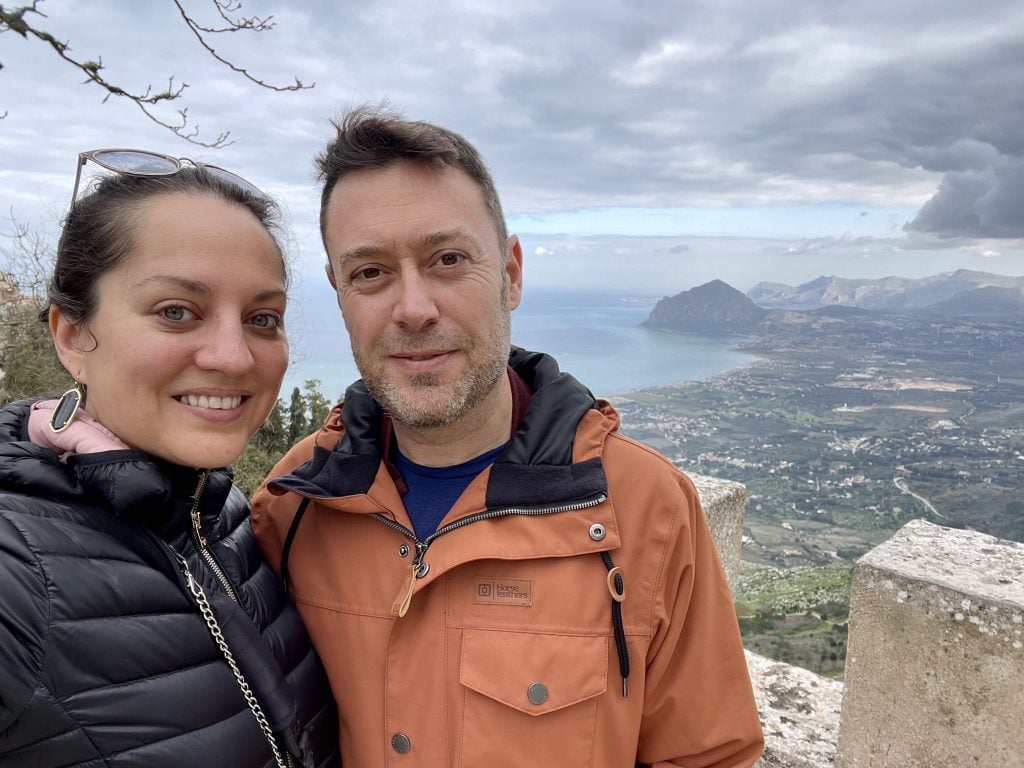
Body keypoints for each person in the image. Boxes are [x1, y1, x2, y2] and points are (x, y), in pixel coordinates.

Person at [251, 108, 764, 767]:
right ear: (340, 292)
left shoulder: (647, 510)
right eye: (370, 272)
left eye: (447, 260)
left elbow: (707, 755)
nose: (413, 309)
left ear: (511, 274)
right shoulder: (294, 504)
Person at [0, 150, 339, 768]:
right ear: (73, 335)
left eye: (263, 318)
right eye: (176, 312)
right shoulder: (16, 564)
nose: (235, 358)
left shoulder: (225, 517)